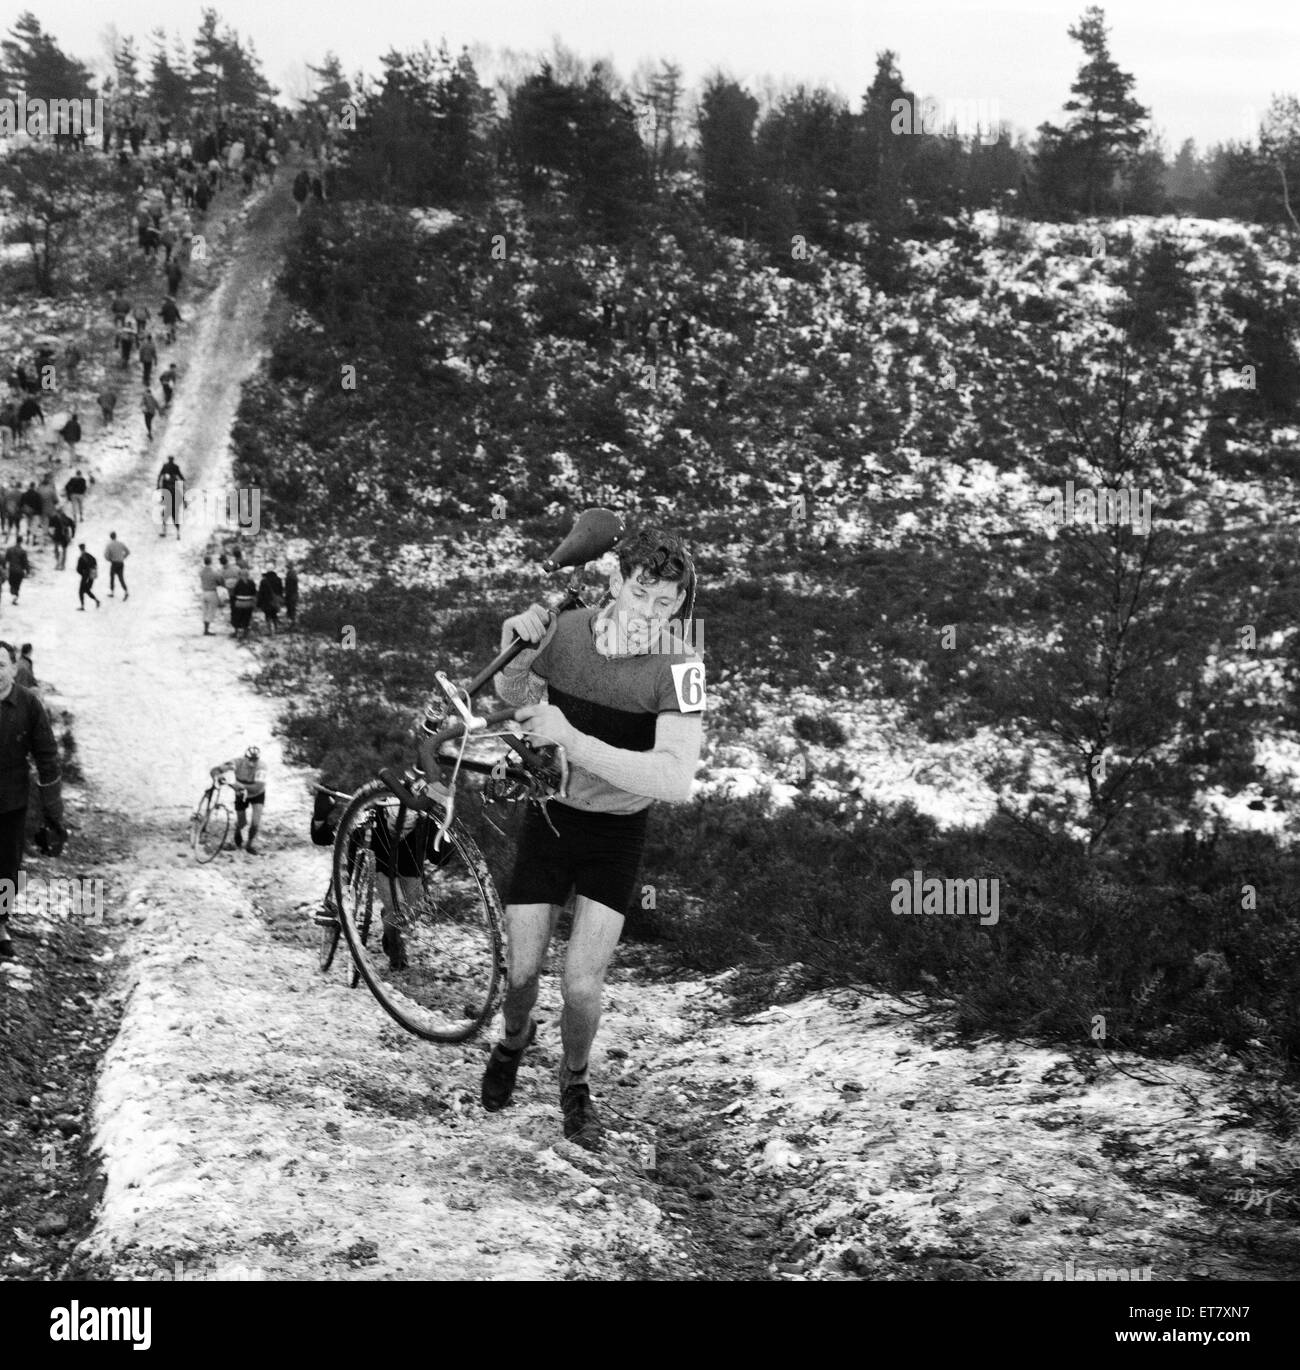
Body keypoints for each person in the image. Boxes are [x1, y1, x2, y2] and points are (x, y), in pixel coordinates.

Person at [433, 528, 705, 1152]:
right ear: (616, 582)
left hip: (618, 831)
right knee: (522, 974)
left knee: (582, 986)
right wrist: (520, 650)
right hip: (551, 815)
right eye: (642, 594)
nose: (651, 615)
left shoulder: (683, 666)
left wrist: (573, 739)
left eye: (668, 604)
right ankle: (512, 1040)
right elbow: (514, 696)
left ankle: (574, 1080)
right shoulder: (569, 629)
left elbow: (675, 779)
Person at [0, 640, 66, 959]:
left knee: (7, 866)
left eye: (1, 665)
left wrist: (52, 808)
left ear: (14, 668)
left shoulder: (28, 704)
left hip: (11, 802)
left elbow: (47, 755)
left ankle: (0, 925)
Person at [210, 745, 267, 853]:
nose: (252, 763)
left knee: (255, 822)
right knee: (242, 822)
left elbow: (257, 787)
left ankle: (249, 844)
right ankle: (237, 831)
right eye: (250, 759)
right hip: (241, 794)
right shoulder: (237, 763)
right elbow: (216, 770)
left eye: (255, 760)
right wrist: (218, 777)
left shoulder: (262, 767)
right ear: (245, 758)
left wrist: (238, 785)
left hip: (257, 794)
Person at [157, 456, 184, 538]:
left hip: (168, 497)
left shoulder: (165, 466)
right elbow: (180, 476)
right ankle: (178, 533)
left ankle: (165, 532)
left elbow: (160, 476)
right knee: (174, 517)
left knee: (165, 515)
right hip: (173, 498)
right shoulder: (175, 467)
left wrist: (158, 486)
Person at [230, 566, 257, 640]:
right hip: (248, 603)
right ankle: (245, 633)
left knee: (237, 618)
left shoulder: (238, 582)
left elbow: (234, 593)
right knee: (246, 618)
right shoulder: (251, 582)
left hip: (239, 603)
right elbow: (254, 592)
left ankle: (236, 632)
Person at [257, 567, 284, 634]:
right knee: (274, 614)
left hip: (266, 601)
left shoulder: (263, 581)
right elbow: (281, 591)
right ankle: (276, 628)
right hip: (275, 601)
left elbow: (261, 593)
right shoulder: (278, 580)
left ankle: (269, 630)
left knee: (267, 615)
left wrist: (259, 603)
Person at [200, 555, 222, 635]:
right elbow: (220, 581)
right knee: (211, 611)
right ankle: (207, 630)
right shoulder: (214, 573)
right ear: (211, 562)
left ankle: (205, 629)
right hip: (212, 592)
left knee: (205, 611)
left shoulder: (201, 572)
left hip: (204, 592)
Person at [104, 532, 130, 599]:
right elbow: (128, 552)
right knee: (121, 578)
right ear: (116, 536)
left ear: (110, 537)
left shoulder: (109, 545)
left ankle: (112, 592)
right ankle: (126, 591)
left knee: (112, 578)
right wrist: (123, 557)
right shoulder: (120, 543)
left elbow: (106, 556)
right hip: (121, 563)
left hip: (114, 563)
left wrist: (110, 559)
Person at [4, 539, 30, 604]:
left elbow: (6, 559)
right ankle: (15, 594)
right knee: (17, 584)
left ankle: (13, 593)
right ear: (21, 542)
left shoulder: (9, 549)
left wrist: (4, 568)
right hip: (19, 571)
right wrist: (28, 571)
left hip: (12, 570)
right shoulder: (23, 551)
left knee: (11, 583)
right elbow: (25, 562)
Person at [75, 543, 100, 609]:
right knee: (86, 589)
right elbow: (95, 563)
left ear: (80, 549)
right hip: (92, 576)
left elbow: (78, 569)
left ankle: (82, 606)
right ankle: (96, 601)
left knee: (81, 591)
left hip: (85, 576)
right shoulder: (90, 556)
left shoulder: (81, 558)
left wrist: (82, 573)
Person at [284, 561, 299, 630]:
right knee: (291, 610)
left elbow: (290, 586)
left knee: (291, 610)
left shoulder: (291, 574)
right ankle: (292, 625)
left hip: (291, 595)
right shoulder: (292, 574)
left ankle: (293, 625)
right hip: (292, 594)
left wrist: (287, 593)